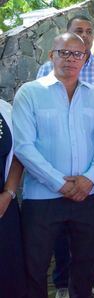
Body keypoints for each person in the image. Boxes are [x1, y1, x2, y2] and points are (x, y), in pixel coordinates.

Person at [14, 32, 94, 298]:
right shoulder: (29, 93)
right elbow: (24, 147)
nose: (70, 58)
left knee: (85, 267)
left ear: (85, 58)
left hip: (88, 195)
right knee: (35, 267)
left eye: (77, 54)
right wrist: (59, 183)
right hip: (42, 198)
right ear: (50, 55)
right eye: (63, 52)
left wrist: (89, 179)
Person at [38, 15, 94, 298]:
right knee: (62, 227)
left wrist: (90, 175)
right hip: (57, 172)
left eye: (88, 31)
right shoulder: (46, 70)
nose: (84, 36)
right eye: (78, 31)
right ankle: (63, 283)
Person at [0, 99, 26, 296]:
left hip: (3, 207)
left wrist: (8, 194)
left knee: (9, 275)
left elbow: (18, 156)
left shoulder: (4, 109)